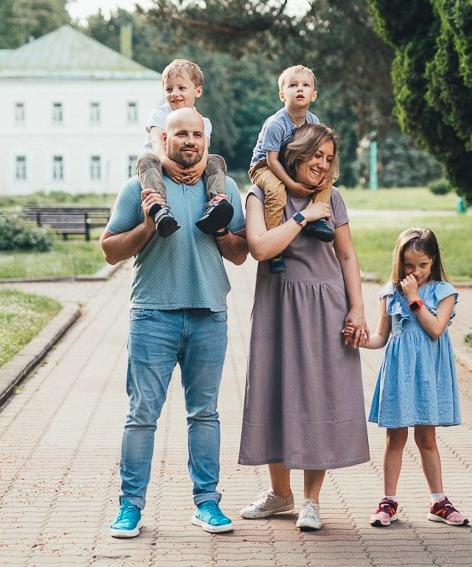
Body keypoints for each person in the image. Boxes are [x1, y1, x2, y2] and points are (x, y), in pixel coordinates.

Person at [102, 107, 248, 538]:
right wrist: (147, 227)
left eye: (196, 134)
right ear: (163, 141)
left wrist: (221, 232)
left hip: (208, 315)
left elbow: (240, 254)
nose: (189, 141)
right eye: (180, 133)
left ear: (205, 140)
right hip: (152, 315)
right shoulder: (140, 189)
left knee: (205, 413)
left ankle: (207, 504)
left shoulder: (225, 189)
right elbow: (110, 250)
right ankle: (130, 507)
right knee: (141, 413)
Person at [238, 123, 370, 531]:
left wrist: (358, 309)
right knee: (275, 393)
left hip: (325, 306)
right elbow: (260, 247)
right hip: (279, 305)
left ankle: (311, 500)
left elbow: (347, 256)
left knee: (319, 397)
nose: (323, 164)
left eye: (329, 158)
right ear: (296, 153)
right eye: (317, 155)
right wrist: (304, 218)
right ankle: (281, 494)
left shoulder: (333, 198)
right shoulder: (261, 194)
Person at [347, 228, 469, 528]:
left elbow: (436, 328)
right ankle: (388, 501)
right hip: (399, 372)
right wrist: (358, 339)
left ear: (433, 260)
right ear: (399, 262)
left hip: (428, 372)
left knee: (426, 438)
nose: (415, 272)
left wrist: (414, 298)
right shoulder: (389, 293)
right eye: (408, 266)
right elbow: (380, 337)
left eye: (422, 265)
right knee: (395, 438)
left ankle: (437, 500)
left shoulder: (443, 292)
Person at [248, 65, 334, 274]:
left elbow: (317, 150)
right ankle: (275, 248)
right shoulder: (277, 124)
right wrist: (292, 184)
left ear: (313, 95)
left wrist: (316, 175)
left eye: (305, 86)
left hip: (293, 163)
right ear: (282, 95)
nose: (300, 89)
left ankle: (318, 219)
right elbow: (272, 160)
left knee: (327, 178)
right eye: (293, 85)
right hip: (264, 166)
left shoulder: (312, 121)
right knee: (276, 193)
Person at [136, 58, 233, 238]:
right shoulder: (160, 114)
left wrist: (199, 169)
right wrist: (167, 163)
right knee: (145, 159)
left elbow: (204, 152)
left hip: (190, 164)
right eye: (169, 89)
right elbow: (157, 143)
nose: (174, 93)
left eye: (181, 88)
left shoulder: (203, 122)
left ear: (198, 91)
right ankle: (160, 210)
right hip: (159, 164)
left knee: (216, 161)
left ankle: (215, 204)